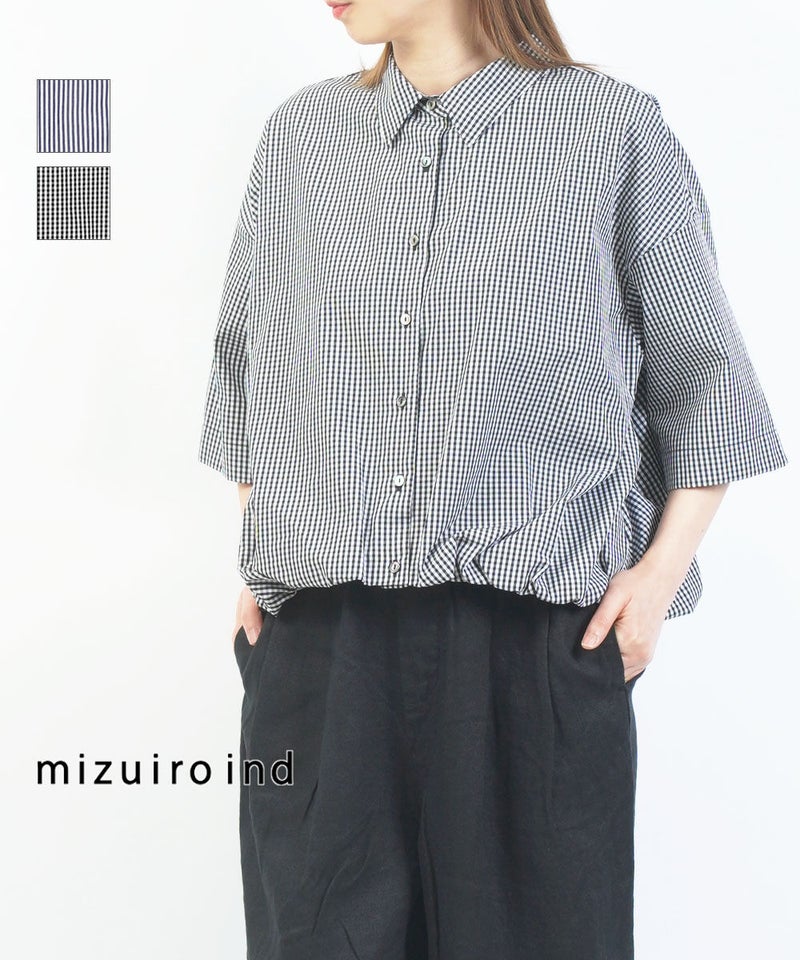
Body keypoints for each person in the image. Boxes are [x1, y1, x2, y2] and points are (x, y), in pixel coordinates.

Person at [198, 2, 789, 957]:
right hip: (324, 653)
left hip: (530, 652)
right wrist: (273, 551)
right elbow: (247, 373)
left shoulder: (609, 130)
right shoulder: (302, 139)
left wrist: (656, 583)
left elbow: (707, 382)